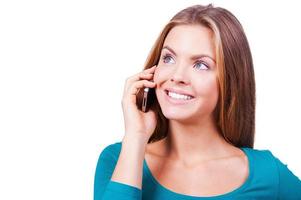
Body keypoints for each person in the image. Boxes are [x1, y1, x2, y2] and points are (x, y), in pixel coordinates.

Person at [94, 4, 301, 199]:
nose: (177, 76)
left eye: (200, 65)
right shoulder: (118, 159)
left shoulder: (268, 174)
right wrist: (136, 137)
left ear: (230, 80)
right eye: (168, 58)